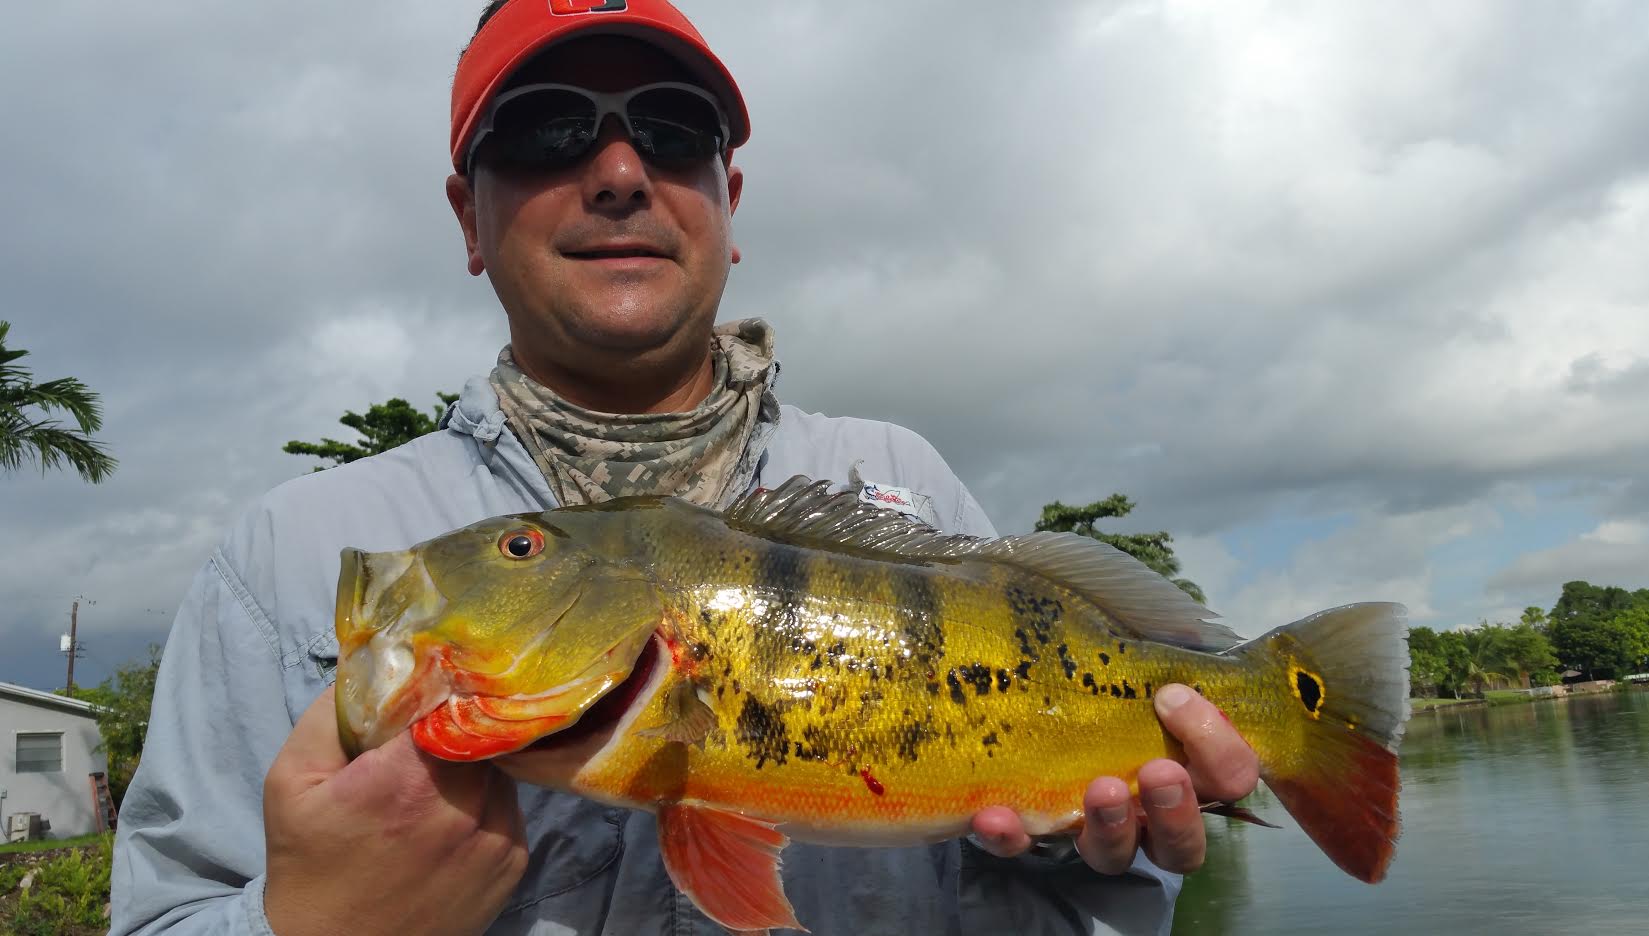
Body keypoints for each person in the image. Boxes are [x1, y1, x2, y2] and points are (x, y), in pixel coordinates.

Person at [109, 1, 1259, 933]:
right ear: (467, 217)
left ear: (727, 202)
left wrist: (1084, 858)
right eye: (546, 130)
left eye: (670, 129)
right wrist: (310, 924)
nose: (618, 170)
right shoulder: (290, 554)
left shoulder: (901, 476)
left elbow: (1069, 898)